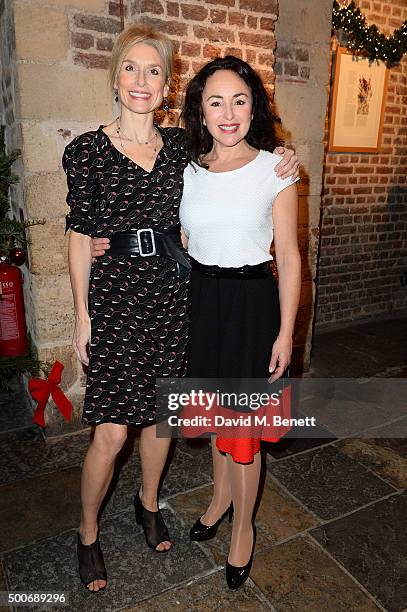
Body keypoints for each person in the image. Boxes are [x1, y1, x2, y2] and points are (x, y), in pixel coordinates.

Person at [69, 24, 299, 592]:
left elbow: (252, 198)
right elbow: (79, 232)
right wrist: (82, 310)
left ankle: (154, 505)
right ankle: (87, 530)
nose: (141, 81)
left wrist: (284, 155)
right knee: (114, 432)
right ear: (115, 77)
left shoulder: (181, 150)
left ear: (168, 85)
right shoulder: (94, 151)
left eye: (154, 71)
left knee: (173, 420)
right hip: (128, 300)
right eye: (131, 68)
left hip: (182, 299)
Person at [177, 56, 301, 590]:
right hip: (202, 305)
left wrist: (286, 332)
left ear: (255, 105)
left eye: (240, 100)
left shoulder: (276, 170)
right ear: (200, 113)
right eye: (215, 101)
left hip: (252, 308)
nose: (229, 113)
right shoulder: (187, 168)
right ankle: (220, 499)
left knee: (243, 432)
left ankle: (244, 527)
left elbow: (291, 258)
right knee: (216, 424)